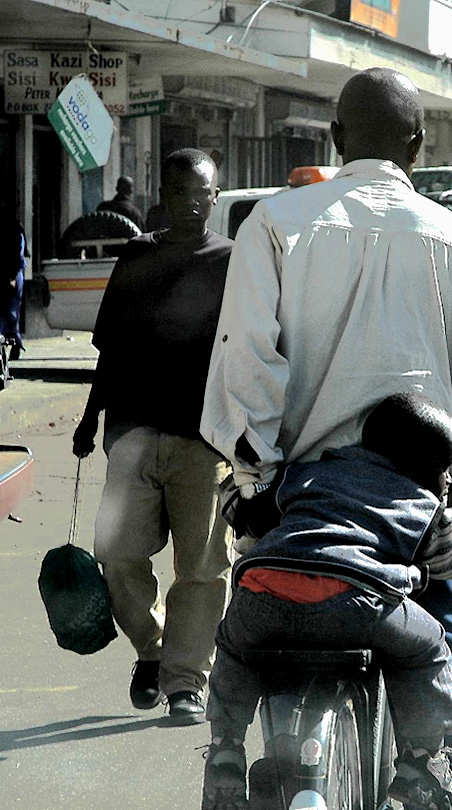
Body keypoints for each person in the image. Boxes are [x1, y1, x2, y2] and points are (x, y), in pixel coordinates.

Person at [200, 67, 452, 805]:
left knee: (258, 624)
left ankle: (224, 753)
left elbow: (244, 363)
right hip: (411, 516)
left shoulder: (276, 225)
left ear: (337, 139)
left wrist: (252, 486)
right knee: (444, 635)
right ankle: (444, 783)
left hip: (294, 505)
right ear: (417, 145)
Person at [202, 392, 452, 810]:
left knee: (236, 650)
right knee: (430, 645)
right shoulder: (420, 499)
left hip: (263, 591)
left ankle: (225, 749)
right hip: (355, 603)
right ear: (424, 468)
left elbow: (241, 508)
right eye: (442, 470)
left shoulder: (306, 475)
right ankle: (421, 764)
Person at [72, 148, 234, 724]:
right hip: (133, 435)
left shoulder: (233, 262)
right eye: (179, 192)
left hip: (204, 441)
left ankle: (187, 682)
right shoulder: (137, 256)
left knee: (202, 568)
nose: (191, 203)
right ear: (160, 195)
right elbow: (111, 349)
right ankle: (155, 647)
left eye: (202, 193)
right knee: (116, 556)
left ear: (215, 197)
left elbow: (253, 355)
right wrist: (90, 419)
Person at [2, 209, 27, 362]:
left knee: (10, 313)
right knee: (9, 314)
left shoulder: (15, 232)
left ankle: (15, 344)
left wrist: (12, 276)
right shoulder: (15, 230)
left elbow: (18, 255)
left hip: (12, 275)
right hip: (9, 274)